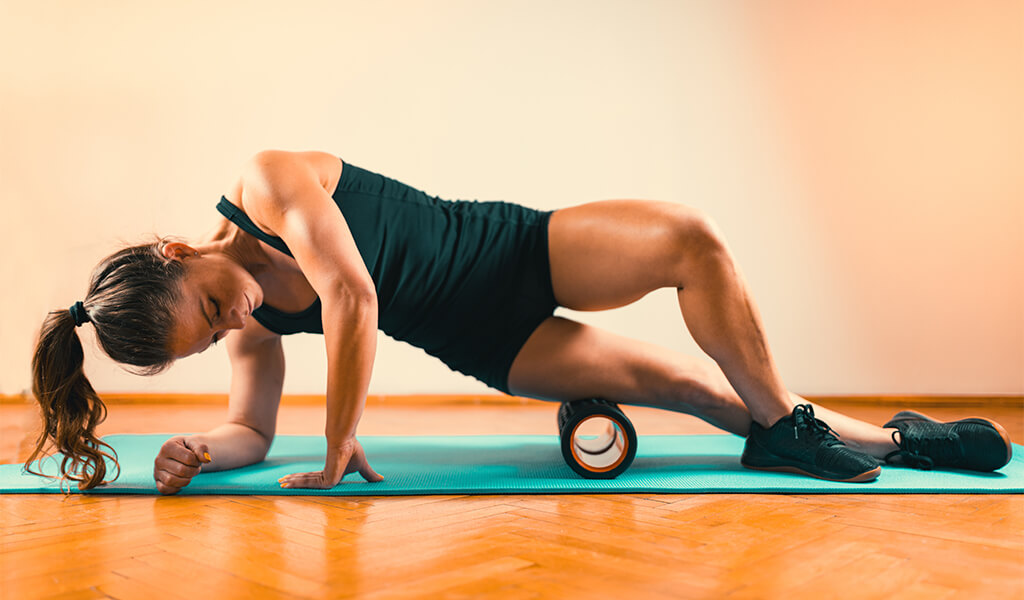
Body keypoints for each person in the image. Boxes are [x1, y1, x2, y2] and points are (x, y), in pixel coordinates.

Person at [27, 150, 1012, 494]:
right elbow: (251, 429)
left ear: (176, 251)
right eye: (210, 337)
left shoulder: (265, 181)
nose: (230, 320)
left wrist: (342, 440)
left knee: (690, 238)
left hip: (510, 248)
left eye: (207, 307)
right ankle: (886, 441)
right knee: (694, 391)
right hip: (487, 339)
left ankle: (800, 428)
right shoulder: (249, 324)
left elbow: (355, 295)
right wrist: (202, 443)